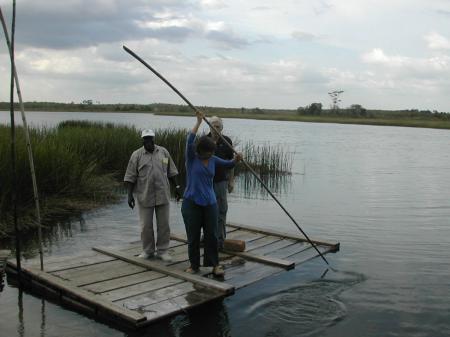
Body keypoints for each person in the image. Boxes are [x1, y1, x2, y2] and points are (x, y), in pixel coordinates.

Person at [182, 111, 242, 276]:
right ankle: (194, 265)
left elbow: (229, 164)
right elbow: (190, 139)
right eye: (208, 152)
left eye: (212, 152)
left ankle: (214, 265)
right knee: (193, 237)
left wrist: (236, 160)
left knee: (212, 235)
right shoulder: (191, 158)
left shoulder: (214, 160)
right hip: (192, 202)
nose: (210, 155)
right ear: (200, 150)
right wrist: (198, 122)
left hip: (210, 203)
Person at [124, 129, 181, 262]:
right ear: (142, 140)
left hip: (163, 194)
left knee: (164, 225)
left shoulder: (163, 152)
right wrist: (129, 195)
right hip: (144, 195)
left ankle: (163, 251)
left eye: (150, 138)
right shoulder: (136, 155)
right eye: (146, 139)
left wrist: (177, 188)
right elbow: (130, 177)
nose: (148, 141)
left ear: (154, 139)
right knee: (145, 226)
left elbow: (171, 171)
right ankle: (148, 250)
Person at [207, 116, 234, 250]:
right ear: (209, 126)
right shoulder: (204, 141)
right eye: (213, 126)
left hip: (221, 182)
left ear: (221, 128)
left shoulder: (227, 141)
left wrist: (231, 181)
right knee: (207, 211)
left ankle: (220, 239)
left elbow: (231, 163)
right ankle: (207, 237)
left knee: (222, 210)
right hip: (206, 183)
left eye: (218, 126)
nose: (215, 129)